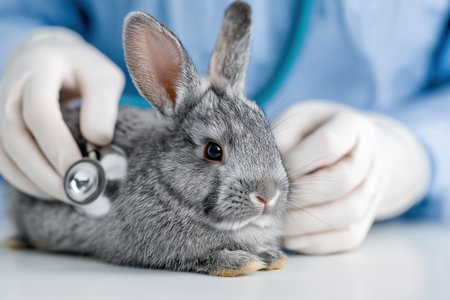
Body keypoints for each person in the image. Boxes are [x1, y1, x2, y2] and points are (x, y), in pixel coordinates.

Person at [0, 0, 448, 254]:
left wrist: (413, 153)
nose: (266, 193)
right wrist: (21, 47)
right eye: (214, 152)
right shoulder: (155, 200)